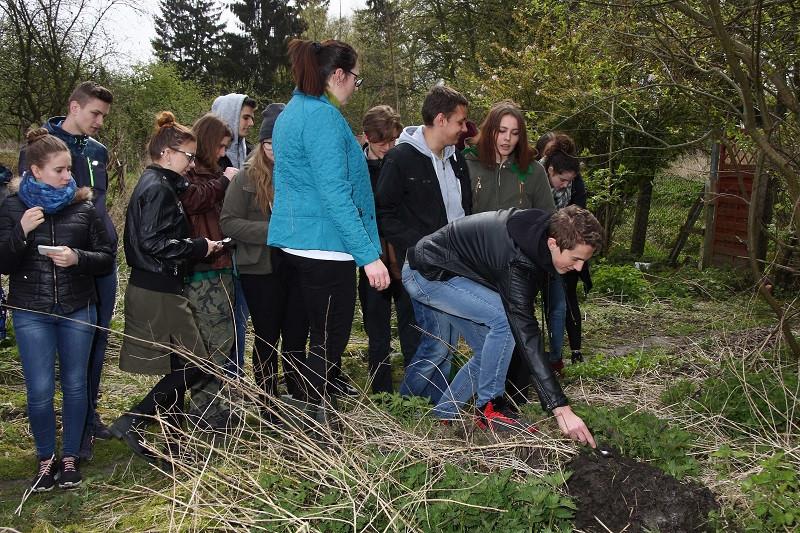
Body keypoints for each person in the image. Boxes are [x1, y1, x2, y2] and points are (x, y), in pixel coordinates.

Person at [403, 205, 603, 443]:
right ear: (553, 244)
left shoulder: (544, 234)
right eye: (576, 259)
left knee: (488, 354)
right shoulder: (518, 260)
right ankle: (490, 407)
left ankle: (443, 416)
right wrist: (560, 407)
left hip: (452, 274)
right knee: (504, 319)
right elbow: (525, 331)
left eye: (584, 261)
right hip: (428, 273)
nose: (579, 268)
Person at [268, 38, 388, 408]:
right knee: (328, 343)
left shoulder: (291, 112)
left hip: (291, 243)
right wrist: (368, 255)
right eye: (355, 77)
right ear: (337, 74)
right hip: (325, 249)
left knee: (303, 339)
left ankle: (306, 417)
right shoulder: (323, 117)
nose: (355, 85)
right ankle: (319, 431)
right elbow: (335, 194)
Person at [0, 129, 114, 491]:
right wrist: (21, 230)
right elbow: (4, 261)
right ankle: (44, 458)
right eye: (60, 170)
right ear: (35, 170)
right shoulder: (12, 207)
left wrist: (77, 257)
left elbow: (106, 257)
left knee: (76, 385)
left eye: (69, 170)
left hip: (77, 308)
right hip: (30, 311)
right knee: (39, 390)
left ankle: (70, 457)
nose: (69, 176)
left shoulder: (83, 205)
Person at [109, 112, 222, 465]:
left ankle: (174, 444)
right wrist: (198, 247)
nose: (191, 164)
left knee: (178, 365)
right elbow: (155, 243)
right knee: (196, 365)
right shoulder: (157, 188)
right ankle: (134, 421)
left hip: (158, 284)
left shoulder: (158, 183)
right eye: (188, 156)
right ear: (168, 153)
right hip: (157, 288)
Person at [18, 81, 117, 460]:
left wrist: (105, 247)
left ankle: (87, 421)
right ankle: (56, 434)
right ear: (74, 107)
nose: (99, 122)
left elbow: (100, 205)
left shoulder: (98, 151)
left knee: (97, 340)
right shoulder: (45, 147)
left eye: (104, 116)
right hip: (54, 271)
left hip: (97, 258)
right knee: (57, 357)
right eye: (95, 113)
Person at [375, 85, 472, 404]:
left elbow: (464, 209)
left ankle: (430, 412)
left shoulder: (456, 158)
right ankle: (403, 409)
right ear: (441, 119)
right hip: (422, 267)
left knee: (446, 345)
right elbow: (384, 213)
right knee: (436, 345)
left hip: (455, 266)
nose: (463, 129)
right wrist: (423, 245)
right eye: (460, 122)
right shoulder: (401, 158)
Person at [220, 103, 309, 419]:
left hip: (298, 266)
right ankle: (268, 400)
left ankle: (299, 393)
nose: (273, 150)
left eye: (279, 144)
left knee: (297, 334)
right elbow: (228, 222)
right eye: (268, 144)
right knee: (268, 335)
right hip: (260, 269)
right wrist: (272, 231)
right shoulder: (245, 177)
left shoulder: (302, 174)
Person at [466, 100, 555, 410]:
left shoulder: (532, 171)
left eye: (514, 133)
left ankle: (513, 401)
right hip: (476, 263)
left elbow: (548, 219)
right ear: (490, 131)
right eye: (501, 131)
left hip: (518, 265)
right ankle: (486, 396)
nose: (507, 139)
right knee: (489, 332)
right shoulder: (468, 163)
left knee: (518, 328)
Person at [178, 113, 238, 431]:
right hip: (204, 270)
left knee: (222, 342)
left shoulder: (210, 174)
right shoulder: (189, 175)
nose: (221, 153)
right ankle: (205, 413)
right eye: (220, 146)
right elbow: (193, 202)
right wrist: (225, 181)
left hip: (221, 265)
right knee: (212, 343)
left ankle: (212, 407)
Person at [358, 105, 420, 394]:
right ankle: (382, 393)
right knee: (377, 330)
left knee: (412, 326)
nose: (388, 147)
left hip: (404, 257)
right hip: (371, 258)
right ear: (366, 137)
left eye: (393, 139)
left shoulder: (404, 161)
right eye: (382, 141)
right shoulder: (354, 168)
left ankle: (415, 389)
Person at [211, 93, 258, 380]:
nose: (251, 123)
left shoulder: (251, 153)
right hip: (217, 253)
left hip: (246, 252)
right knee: (223, 321)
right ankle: (221, 383)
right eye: (245, 117)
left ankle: (236, 379)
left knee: (240, 319)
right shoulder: (210, 161)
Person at [536, 132, 589, 375]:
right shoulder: (533, 177)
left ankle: (556, 360)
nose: (566, 185)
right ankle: (529, 359)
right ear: (550, 170)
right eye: (563, 180)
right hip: (534, 252)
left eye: (570, 181)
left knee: (558, 306)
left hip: (560, 255)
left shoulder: (571, 185)